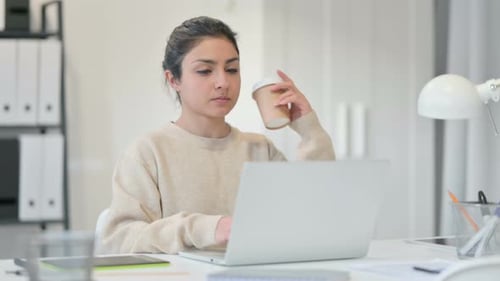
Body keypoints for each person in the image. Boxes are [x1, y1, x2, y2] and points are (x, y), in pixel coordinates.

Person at [100, 16, 335, 254]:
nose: (223, 82)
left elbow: (311, 213)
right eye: (205, 71)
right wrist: (206, 229)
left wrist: (310, 130)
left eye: (232, 69)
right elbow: (119, 240)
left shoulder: (259, 149)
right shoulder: (148, 152)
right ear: (173, 79)